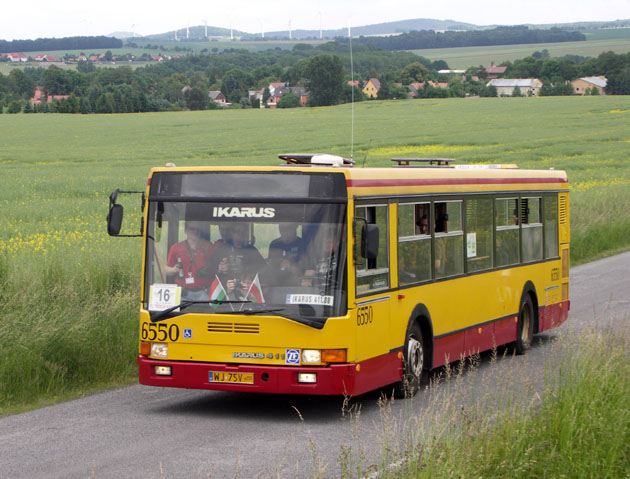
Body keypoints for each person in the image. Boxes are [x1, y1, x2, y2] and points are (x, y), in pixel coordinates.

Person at [208, 222, 267, 300]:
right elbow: (210, 271)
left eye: (243, 232)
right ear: (231, 233)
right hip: (225, 292)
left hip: (246, 292)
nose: (240, 234)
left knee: (255, 307)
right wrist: (218, 269)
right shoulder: (221, 250)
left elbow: (264, 270)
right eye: (237, 231)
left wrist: (250, 276)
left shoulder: (252, 250)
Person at [165, 221, 215, 300]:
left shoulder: (209, 246)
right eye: (192, 229)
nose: (195, 231)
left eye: (198, 229)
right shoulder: (176, 248)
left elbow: (217, 266)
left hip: (204, 293)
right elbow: (167, 270)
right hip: (183, 294)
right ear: (185, 231)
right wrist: (173, 269)